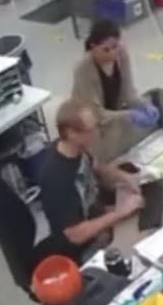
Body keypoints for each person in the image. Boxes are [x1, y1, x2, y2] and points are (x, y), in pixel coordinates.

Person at [38, 99, 144, 264]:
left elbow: (96, 167)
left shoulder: (76, 149)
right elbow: (75, 235)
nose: (97, 133)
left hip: (101, 222)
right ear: (72, 133)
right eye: (91, 129)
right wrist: (120, 212)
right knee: (140, 252)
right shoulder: (55, 179)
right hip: (85, 251)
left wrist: (126, 178)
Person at [72, 19, 148, 161]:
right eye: (106, 49)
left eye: (115, 47)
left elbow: (128, 92)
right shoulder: (84, 70)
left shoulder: (121, 54)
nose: (112, 53)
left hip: (113, 118)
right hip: (91, 128)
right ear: (93, 47)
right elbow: (97, 115)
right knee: (102, 163)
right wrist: (129, 114)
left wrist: (144, 105)